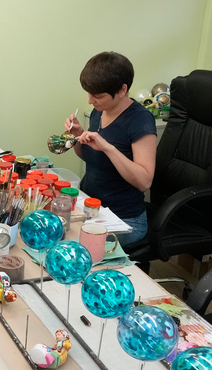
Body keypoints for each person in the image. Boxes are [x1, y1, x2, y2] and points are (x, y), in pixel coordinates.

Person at [65, 51, 157, 247]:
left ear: (122, 90)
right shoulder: (100, 111)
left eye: (97, 96)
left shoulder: (140, 121)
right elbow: (89, 157)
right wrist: (78, 136)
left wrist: (108, 148)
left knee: (69, 243)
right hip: (90, 209)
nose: (90, 101)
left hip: (124, 220)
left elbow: (144, 181)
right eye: (89, 94)